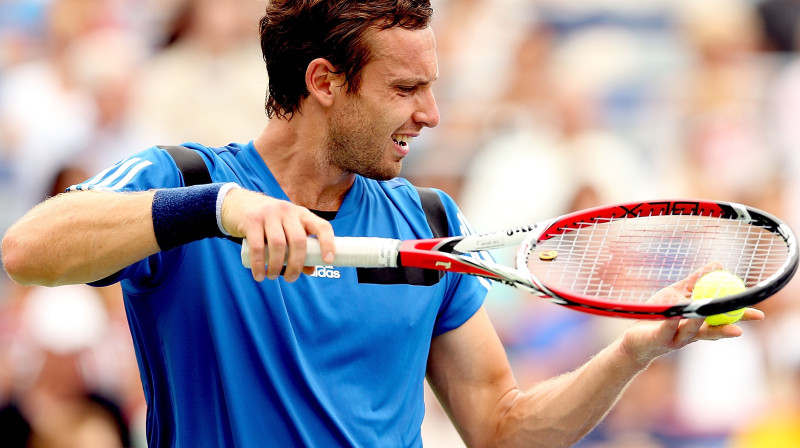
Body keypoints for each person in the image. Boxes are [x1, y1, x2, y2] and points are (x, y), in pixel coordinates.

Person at [1, 1, 763, 446]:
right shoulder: (186, 181)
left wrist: (633, 351)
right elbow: (27, 250)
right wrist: (217, 212)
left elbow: (500, 428)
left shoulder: (429, 221)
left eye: (431, 87)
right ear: (325, 82)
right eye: (406, 89)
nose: (431, 115)